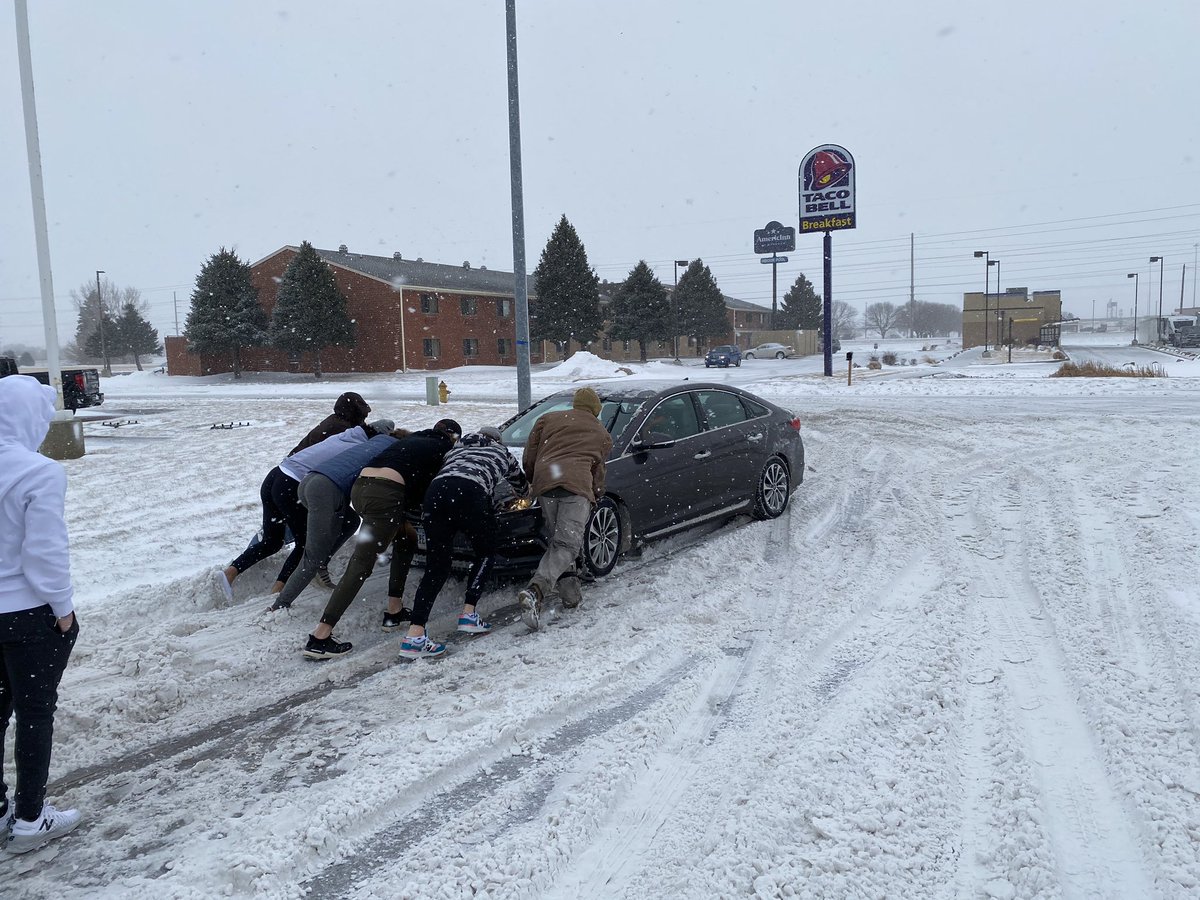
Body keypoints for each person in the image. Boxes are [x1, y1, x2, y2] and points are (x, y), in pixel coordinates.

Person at [0, 376, 81, 854]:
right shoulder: (38, 472)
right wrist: (64, 609)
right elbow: (44, 553)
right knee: (34, 713)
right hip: (29, 617)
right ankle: (31, 817)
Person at [303, 419, 461, 660]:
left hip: (362, 488)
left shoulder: (413, 439)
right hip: (386, 494)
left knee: (405, 538)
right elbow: (430, 486)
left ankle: (394, 610)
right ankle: (320, 636)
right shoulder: (443, 449)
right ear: (453, 437)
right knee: (361, 564)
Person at [219, 418, 393, 599]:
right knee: (309, 543)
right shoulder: (362, 449)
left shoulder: (346, 435)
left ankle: (229, 573)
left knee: (272, 540)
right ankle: (280, 589)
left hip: (276, 475)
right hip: (294, 484)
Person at [399, 426, 530, 658]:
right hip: (470, 493)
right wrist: (524, 495)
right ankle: (469, 614)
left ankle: (414, 635)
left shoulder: (455, 451)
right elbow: (521, 487)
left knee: (436, 566)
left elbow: (449, 474)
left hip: (436, 494)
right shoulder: (502, 453)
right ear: (498, 441)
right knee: (486, 552)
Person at [269, 426, 410, 613]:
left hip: (310, 480)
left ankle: (320, 563)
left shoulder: (375, 441)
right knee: (312, 556)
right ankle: (280, 605)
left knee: (350, 521)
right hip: (325, 490)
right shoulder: (393, 450)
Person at [517, 387, 612, 630]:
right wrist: (597, 492)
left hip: (546, 484)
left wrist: (533, 477)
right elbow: (598, 470)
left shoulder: (549, 418)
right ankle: (536, 590)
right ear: (595, 410)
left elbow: (531, 454)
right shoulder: (601, 433)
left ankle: (571, 596)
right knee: (567, 544)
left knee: (560, 542)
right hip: (576, 487)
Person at [288, 392, 371, 456]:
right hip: (299, 467)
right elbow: (357, 447)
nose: (364, 418)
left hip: (298, 461)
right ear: (355, 412)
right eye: (363, 416)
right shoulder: (339, 426)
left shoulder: (341, 419)